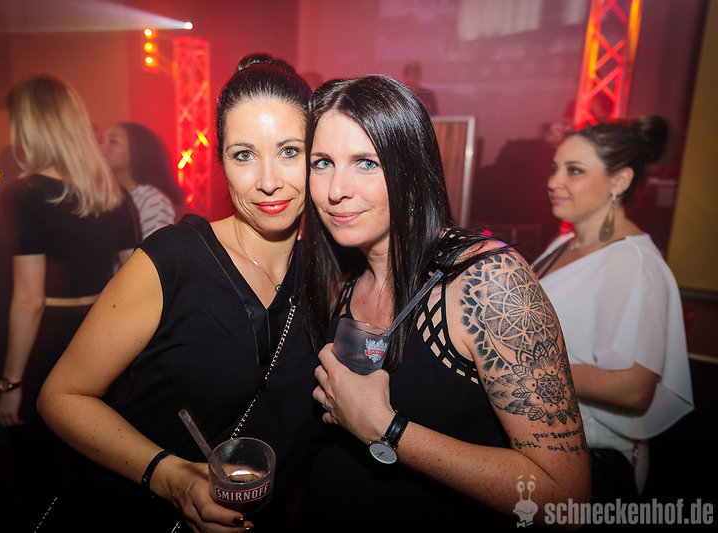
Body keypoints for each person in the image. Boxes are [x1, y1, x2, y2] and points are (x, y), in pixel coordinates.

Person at [36, 53, 317, 533]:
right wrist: (171, 478)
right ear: (221, 161)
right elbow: (61, 396)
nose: (269, 181)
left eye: (289, 151)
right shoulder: (173, 258)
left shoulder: (331, 279)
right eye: (244, 155)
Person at [295, 75, 590, 530]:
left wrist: (387, 428)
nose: (336, 189)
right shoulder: (340, 278)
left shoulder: (487, 281)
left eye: (366, 163)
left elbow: (565, 499)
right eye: (322, 163)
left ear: (412, 169)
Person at [0, 74, 141, 526]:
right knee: (97, 467)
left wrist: (10, 385)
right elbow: (135, 279)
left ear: (29, 126)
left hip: (49, 341)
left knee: (38, 471)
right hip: (104, 335)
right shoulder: (113, 192)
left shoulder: (26, 194)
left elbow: (29, 300)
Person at [531, 116, 693, 501]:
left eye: (574, 171)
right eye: (555, 168)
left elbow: (633, 388)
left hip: (594, 462)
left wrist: (521, 369)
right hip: (544, 446)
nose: (554, 182)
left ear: (619, 181)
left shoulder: (633, 262)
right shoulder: (562, 244)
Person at [102, 122, 186, 239]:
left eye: (113, 141)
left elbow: (155, 248)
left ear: (137, 150)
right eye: (101, 141)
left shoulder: (152, 200)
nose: (102, 148)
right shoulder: (106, 195)